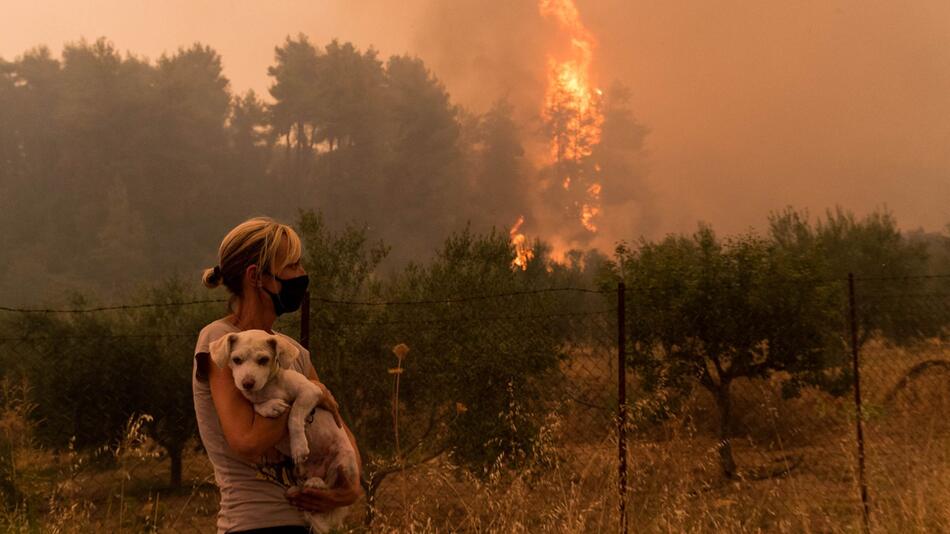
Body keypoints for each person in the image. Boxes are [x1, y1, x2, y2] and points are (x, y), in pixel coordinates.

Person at [193, 217, 362, 533]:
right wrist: (306, 391)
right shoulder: (220, 342)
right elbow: (247, 441)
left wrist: (350, 489)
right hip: (255, 523)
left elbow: (340, 428)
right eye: (292, 266)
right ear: (258, 277)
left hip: (308, 525)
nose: (302, 275)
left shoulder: (290, 351)